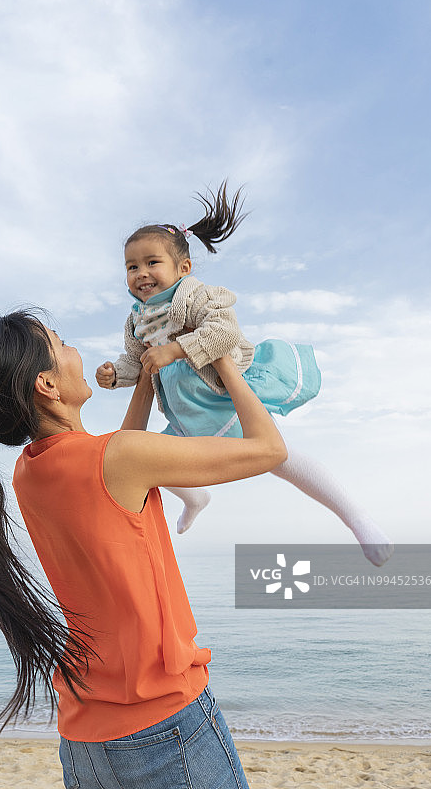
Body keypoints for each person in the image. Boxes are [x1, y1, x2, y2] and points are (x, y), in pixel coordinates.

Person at [0, 309, 287, 789]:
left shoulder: (29, 472)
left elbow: (115, 457)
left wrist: (146, 378)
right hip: (165, 724)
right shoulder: (116, 459)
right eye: (61, 343)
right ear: (47, 384)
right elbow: (269, 449)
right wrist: (220, 356)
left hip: (85, 737)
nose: (75, 351)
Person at [96, 181, 393, 567]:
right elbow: (136, 362)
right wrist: (115, 374)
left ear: (183, 268)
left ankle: (357, 519)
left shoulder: (197, 296)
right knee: (147, 456)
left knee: (282, 460)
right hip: (183, 412)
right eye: (132, 267)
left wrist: (176, 349)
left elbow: (225, 332)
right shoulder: (136, 319)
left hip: (220, 399)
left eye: (152, 263)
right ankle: (195, 497)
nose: (141, 273)